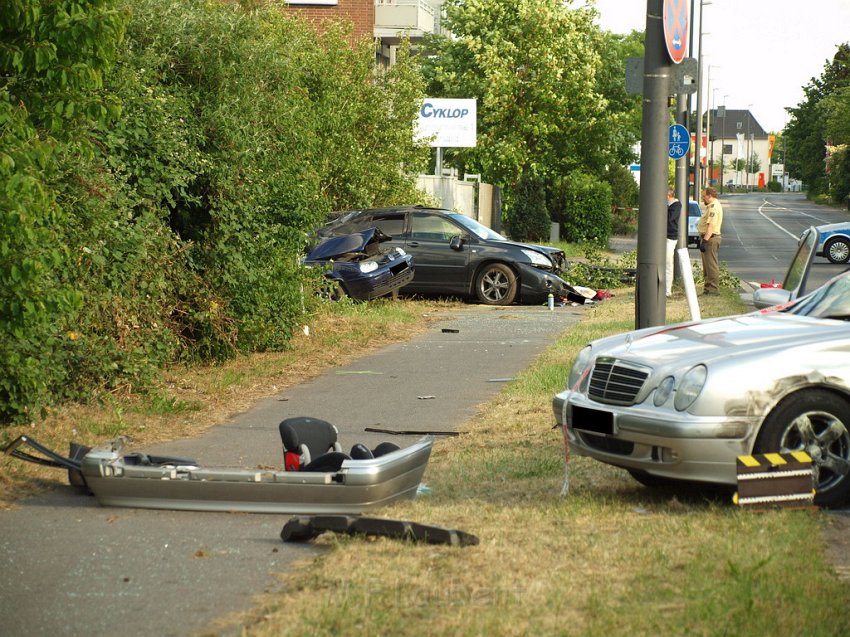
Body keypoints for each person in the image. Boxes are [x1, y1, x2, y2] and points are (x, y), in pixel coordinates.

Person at [698, 186, 723, 295]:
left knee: (711, 265)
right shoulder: (710, 206)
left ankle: (713, 289)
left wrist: (705, 241)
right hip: (708, 237)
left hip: (711, 238)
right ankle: (707, 288)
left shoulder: (713, 207)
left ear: (710, 196)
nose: (703, 198)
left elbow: (711, 226)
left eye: (704, 196)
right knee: (707, 266)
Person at [665, 188, 681, 298]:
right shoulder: (667, 205)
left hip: (670, 237)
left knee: (668, 263)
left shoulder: (676, 205)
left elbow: (669, 218)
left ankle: (667, 290)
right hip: (662, 236)